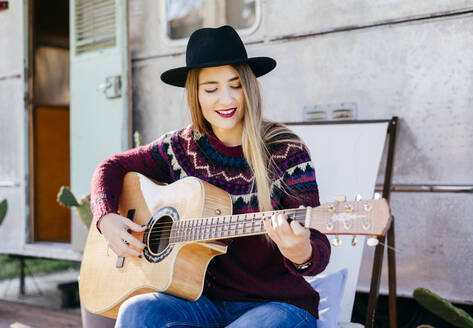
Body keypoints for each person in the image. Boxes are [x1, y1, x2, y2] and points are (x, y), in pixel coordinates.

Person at [90, 25, 331, 328]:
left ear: (249, 86)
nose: (226, 99)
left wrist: (301, 253)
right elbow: (110, 167)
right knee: (136, 312)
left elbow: (318, 246)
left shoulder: (285, 150)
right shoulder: (179, 147)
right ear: (196, 94)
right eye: (211, 89)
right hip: (199, 303)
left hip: (277, 307)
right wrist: (106, 217)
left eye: (235, 84)